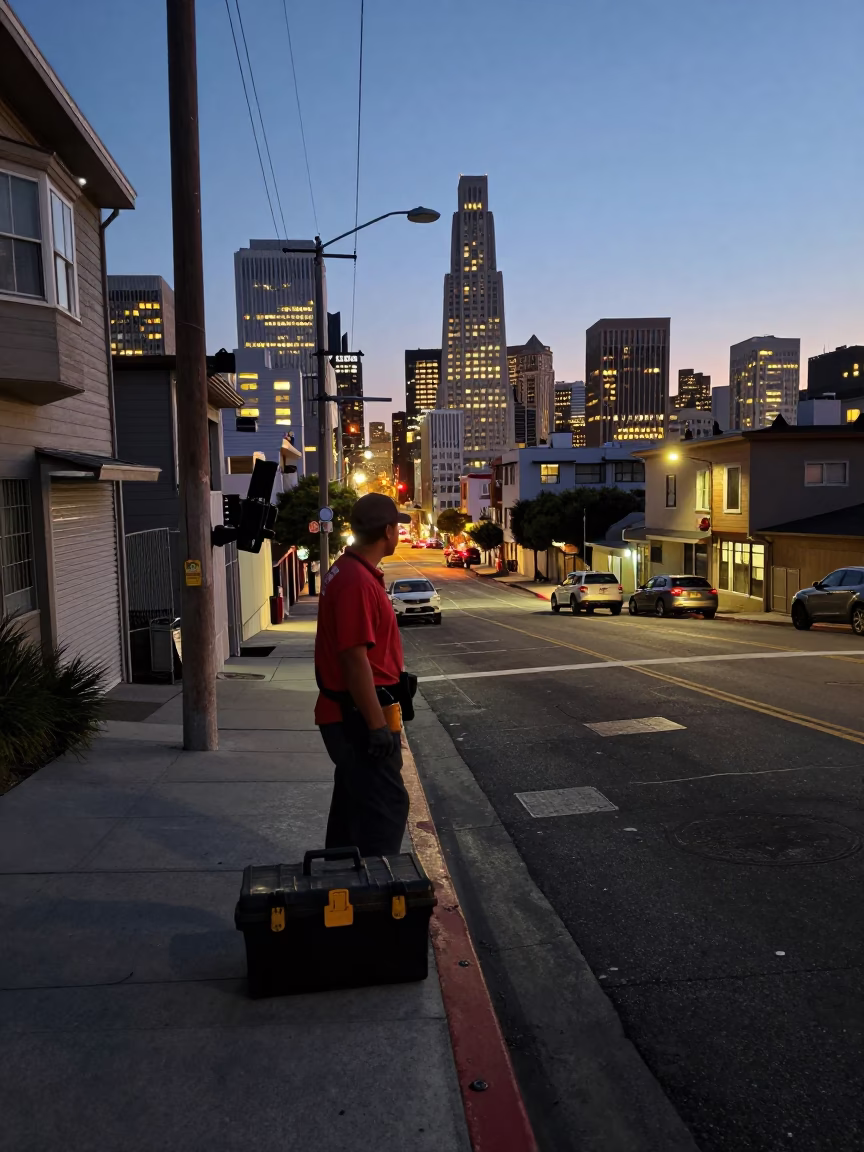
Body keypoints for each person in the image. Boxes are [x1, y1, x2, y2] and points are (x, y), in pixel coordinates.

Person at [314, 493, 412, 856]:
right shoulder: (355, 580)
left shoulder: (351, 570)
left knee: (354, 809)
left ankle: (341, 886)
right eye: (396, 526)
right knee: (386, 809)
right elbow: (354, 660)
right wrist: (376, 726)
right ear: (387, 531)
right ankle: (375, 898)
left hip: (354, 714)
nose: (398, 532)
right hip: (356, 717)